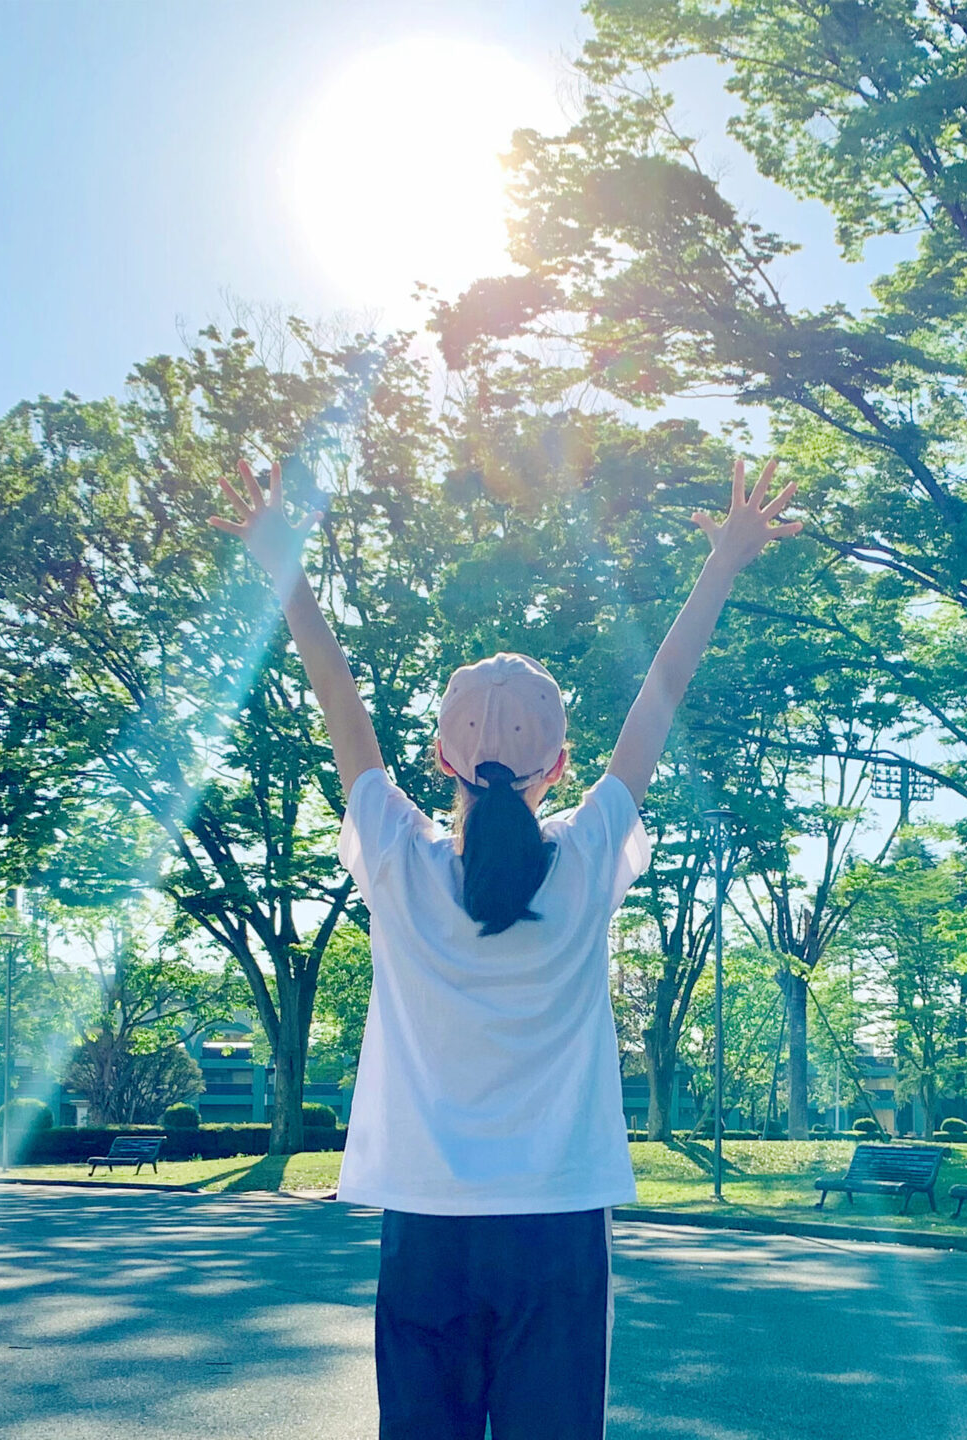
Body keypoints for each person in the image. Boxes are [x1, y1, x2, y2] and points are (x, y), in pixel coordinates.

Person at [211, 454, 802, 1439]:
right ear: (560, 766)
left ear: (442, 758)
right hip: (559, 1228)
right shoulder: (588, 857)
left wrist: (287, 569)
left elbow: (338, 695)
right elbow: (662, 691)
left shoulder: (401, 862)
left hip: (427, 1229)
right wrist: (726, 559)